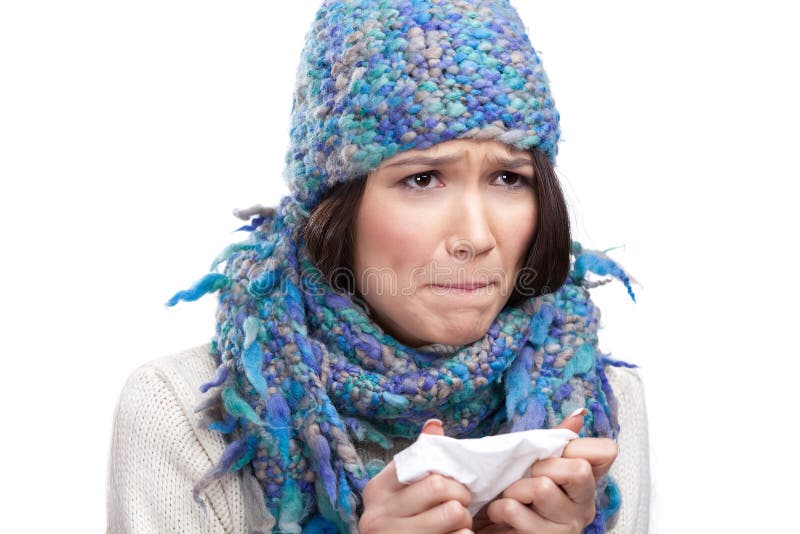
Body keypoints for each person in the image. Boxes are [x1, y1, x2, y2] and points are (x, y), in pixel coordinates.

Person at [107, 0, 650, 532]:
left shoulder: (596, 402)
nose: (477, 238)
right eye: (422, 179)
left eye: (508, 178)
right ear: (333, 206)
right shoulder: (185, 414)